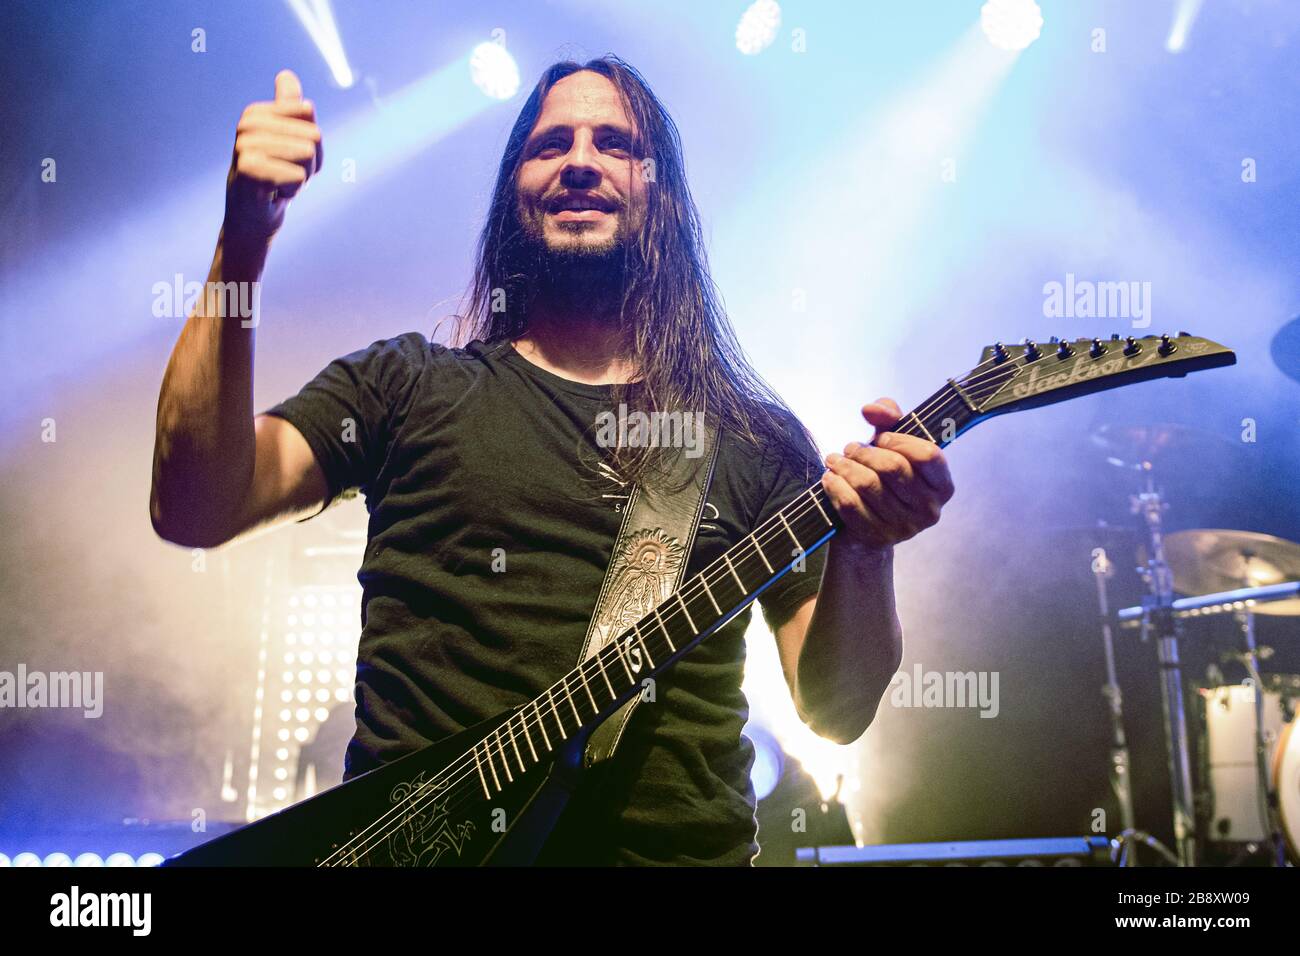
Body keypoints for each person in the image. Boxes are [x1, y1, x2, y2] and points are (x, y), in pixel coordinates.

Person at [150, 55, 955, 866]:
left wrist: (867, 548)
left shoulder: (751, 437)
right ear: (513, 193)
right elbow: (193, 507)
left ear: (664, 195)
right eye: (549, 146)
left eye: (613, 143)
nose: (578, 161)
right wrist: (241, 242)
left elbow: (838, 711)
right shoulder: (406, 388)